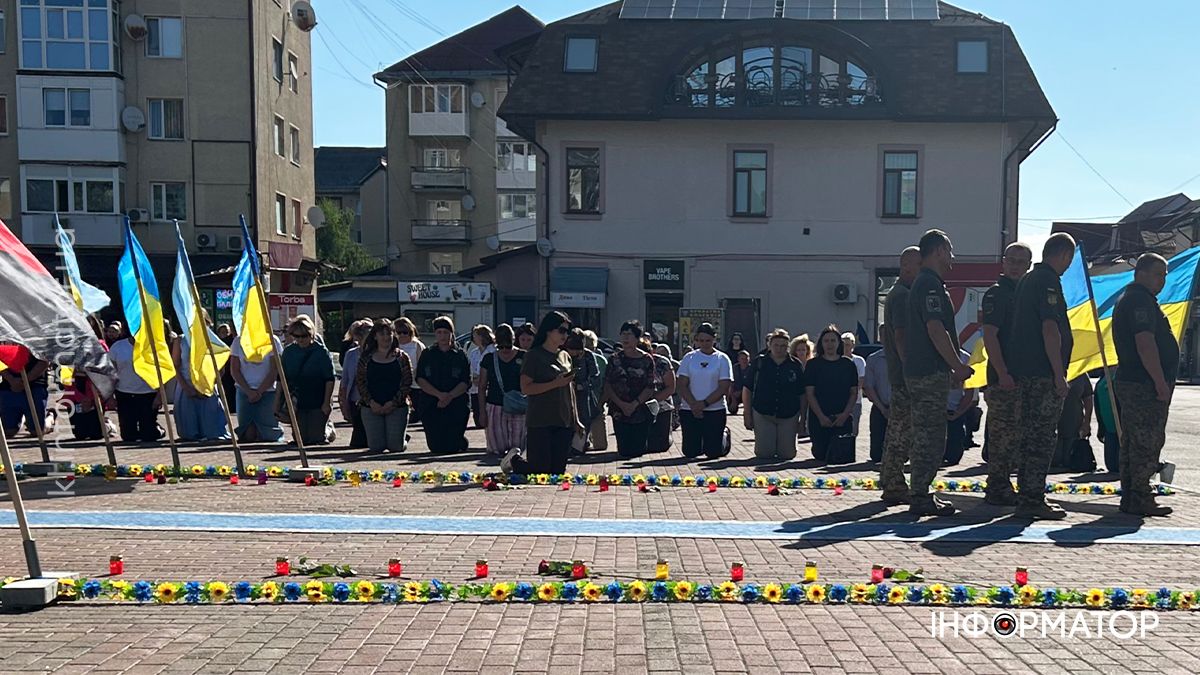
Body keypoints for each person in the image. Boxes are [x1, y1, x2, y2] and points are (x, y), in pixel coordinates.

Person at [1007, 232, 1077, 520]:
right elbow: (1050, 329)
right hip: (1042, 375)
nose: (1068, 265)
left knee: (1029, 436)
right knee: (1041, 437)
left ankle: (1027, 494)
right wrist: (1058, 374)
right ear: (1063, 255)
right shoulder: (1047, 281)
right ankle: (1032, 498)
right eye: (1068, 260)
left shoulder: (1027, 280)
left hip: (1027, 372)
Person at [905, 231, 972, 516]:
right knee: (929, 436)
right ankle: (920, 494)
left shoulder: (928, 283)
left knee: (930, 433)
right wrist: (956, 364)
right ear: (940, 250)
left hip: (929, 371)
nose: (952, 256)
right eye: (950, 249)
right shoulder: (929, 285)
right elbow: (935, 328)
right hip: (927, 372)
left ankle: (922, 491)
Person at [1112, 252, 1176, 516]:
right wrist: (1159, 380)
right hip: (1143, 383)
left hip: (1135, 381)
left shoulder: (1137, 298)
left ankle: (1131, 495)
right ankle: (1139, 496)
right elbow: (1145, 342)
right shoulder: (1139, 300)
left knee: (1133, 441)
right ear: (1142, 273)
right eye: (1158, 274)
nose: (1162, 280)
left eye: (1164, 275)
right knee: (1145, 441)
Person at [980, 242, 1033, 505]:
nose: (1014, 266)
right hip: (1005, 378)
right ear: (1003, 262)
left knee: (1017, 436)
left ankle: (1006, 486)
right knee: (1002, 436)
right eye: (1011, 260)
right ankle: (997, 488)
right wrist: (1001, 373)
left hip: (1024, 376)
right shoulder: (997, 294)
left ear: (1029, 266)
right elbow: (990, 335)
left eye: (1020, 261)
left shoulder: (1026, 293)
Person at [502, 311, 579, 475]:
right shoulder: (533, 355)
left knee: (557, 472)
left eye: (567, 331)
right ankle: (513, 460)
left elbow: (569, 387)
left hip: (563, 419)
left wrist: (576, 419)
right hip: (540, 419)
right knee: (540, 471)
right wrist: (554, 383)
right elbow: (526, 388)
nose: (565, 335)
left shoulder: (565, 355)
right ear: (548, 330)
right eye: (561, 330)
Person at [879, 247, 921, 503]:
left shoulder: (898, 294)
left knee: (898, 429)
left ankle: (890, 479)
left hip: (900, 375)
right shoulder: (903, 296)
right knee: (902, 431)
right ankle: (894, 484)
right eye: (919, 265)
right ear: (906, 266)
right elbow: (901, 336)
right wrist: (910, 370)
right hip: (906, 376)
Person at [742, 328, 805, 461]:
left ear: (788, 347)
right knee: (764, 454)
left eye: (783, 346)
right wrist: (747, 414)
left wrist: (803, 419)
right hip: (763, 412)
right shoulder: (759, 362)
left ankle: (786, 443)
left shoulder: (795, 365)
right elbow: (747, 389)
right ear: (769, 345)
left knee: (787, 455)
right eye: (776, 345)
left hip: (789, 413)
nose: (779, 348)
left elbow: (802, 394)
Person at [415, 316, 471, 454]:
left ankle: (458, 439)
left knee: (451, 448)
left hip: (456, 402)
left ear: (451, 333)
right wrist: (439, 395)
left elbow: (465, 381)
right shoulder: (427, 354)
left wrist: (449, 397)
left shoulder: (460, 355)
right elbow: (420, 378)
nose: (442, 336)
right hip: (432, 403)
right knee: (436, 448)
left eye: (446, 332)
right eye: (439, 332)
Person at [677, 323, 733, 459]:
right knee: (691, 452)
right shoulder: (689, 357)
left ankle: (723, 436)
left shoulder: (722, 359)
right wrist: (694, 405)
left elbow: (724, 386)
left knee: (713, 453)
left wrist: (704, 404)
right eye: (701, 340)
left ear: (714, 339)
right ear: (696, 340)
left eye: (708, 340)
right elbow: (681, 384)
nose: (704, 343)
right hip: (690, 409)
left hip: (714, 409)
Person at [804, 326, 859, 464]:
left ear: (839, 343)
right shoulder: (813, 365)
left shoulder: (848, 365)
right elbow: (810, 394)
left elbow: (853, 393)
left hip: (842, 416)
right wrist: (821, 417)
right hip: (820, 417)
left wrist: (845, 415)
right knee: (821, 455)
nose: (829, 344)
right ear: (821, 343)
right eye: (826, 341)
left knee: (841, 456)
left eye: (833, 341)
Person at [356, 320, 412, 453]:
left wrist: (392, 403)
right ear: (375, 336)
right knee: (376, 447)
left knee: (395, 447)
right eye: (382, 334)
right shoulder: (365, 358)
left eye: (389, 333)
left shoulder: (402, 357)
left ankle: (402, 439)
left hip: (396, 406)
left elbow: (406, 383)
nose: (386, 337)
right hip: (371, 407)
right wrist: (371, 402)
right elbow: (360, 382)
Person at [604, 320, 658, 458]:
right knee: (623, 450)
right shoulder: (614, 359)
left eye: (629, 334)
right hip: (619, 410)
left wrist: (634, 404)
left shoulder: (646, 359)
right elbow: (608, 384)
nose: (625, 338)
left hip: (640, 410)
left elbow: (650, 386)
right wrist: (622, 405)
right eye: (623, 334)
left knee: (637, 451)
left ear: (638, 337)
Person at [170, 317, 230, 442]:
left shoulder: (212, 341)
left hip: (207, 388)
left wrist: (206, 386)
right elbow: (175, 365)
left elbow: (220, 368)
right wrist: (187, 388)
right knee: (189, 433)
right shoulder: (180, 340)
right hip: (186, 387)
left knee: (212, 431)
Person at [278, 315, 335, 446]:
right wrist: (277, 403)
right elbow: (282, 378)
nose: (301, 339)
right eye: (297, 336)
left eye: (304, 336)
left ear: (311, 334)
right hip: (297, 399)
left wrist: (326, 403)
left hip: (317, 397)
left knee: (316, 438)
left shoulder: (321, 352)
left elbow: (329, 379)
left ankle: (328, 429)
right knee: (301, 439)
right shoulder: (289, 352)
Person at [478, 324, 526, 456]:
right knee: (496, 448)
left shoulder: (523, 357)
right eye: (501, 346)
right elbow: (482, 387)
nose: (505, 350)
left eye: (508, 346)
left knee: (518, 447)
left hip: (519, 406)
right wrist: (482, 412)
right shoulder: (488, 359)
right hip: (495, 405)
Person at [109, 329, 164, 443]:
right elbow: (111, 373)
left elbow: (163, 372)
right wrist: (110, 396)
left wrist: (160, 396)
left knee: (148, 436)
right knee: (129, 436)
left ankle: (157, 429)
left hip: (148, 393)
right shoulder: (118, 347)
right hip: (124, 393)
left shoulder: (155, 346)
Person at [230, 331, 284, 443]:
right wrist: (248, 391)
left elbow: (274, 370)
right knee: (248, 435)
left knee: (267, 435)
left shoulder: (272, 340)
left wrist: (259, 391)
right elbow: (235, 370)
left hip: (268, 391)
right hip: (244, 391)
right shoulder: (238, 341)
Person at [338, 321, 372, 449]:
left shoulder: (379, 353)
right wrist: (343, 404)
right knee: (358, 442)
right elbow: (345, 380)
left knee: (373, 442)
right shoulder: (351, 354)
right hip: (355, 399)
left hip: (372, 401)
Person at [943, 349, 979, 466]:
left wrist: (957, 413)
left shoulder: (966, 358)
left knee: (954, 456)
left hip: (954, 410)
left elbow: (969, 393)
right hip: (935, 409)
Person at [1051, 375, 1094, 470]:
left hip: (1074, 426)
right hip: (1052, 427)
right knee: (1054, 460)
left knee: (1069, 461)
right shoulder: (1050, 370)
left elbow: (1088, 400)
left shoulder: (1081, 375)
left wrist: (1086, 423)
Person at [0, 356, 49, 439]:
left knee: (37, 431)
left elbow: (44, 362)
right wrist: (11, 379)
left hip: (35, 385)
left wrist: (25, 380)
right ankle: (22, 417)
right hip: (9, 385)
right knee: (8, 432)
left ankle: (50, 417)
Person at [643, 336, 677, 454]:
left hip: (661, 404)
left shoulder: (662, 362)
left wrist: (652, 400)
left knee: (661, 446)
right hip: (635, 406)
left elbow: (671, 388)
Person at [863, 346, 891, 463]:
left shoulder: (906, 356)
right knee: (876, 455)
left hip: (900, 407)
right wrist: (882, 409)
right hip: (879, 406)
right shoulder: (873, 359)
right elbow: (869, 386)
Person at [395, 317, 425, 424]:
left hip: (415, 384)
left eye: (405, 332)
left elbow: (422, 364)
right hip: (398, 383)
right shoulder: (393, 346)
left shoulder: (417, 345)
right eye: (399, 332)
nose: (402, 335)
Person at [584, 330, 609, 451]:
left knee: (600, 445)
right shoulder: (602, 360)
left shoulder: (601, 361)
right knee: (600, 445)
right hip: (588, 400)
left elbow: (605, 383)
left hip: (596, 400)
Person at [468, 325, 496, 429]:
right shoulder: (473, 352)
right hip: (475, 388)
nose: (473, 338)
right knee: (478, 419)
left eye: (475, 335)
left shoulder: (493, 351)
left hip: (488, 390)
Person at [841, 332, 866, 435]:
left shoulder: (859, 361)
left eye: (847, 345)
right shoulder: (836, 360)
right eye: (843, 345)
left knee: (853, 431)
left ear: (852, 345)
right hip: (839, 402)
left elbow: (861, 381)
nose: (845, 347)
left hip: (855, 402)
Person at [1095, 372, 1120, 473]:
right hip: (1108, 427)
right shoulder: (1101, 381)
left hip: (1122, 427)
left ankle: (1157, 467)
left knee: (1121, 464)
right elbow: (1097, 406)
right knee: (1111, 465)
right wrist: (1101, 428)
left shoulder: (1119, 377)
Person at [728, 350, 751, 414]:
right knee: (732, 409)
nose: (744, 360)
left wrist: (742, 391)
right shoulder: (734, 369)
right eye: (742, 358)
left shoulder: (752, 369)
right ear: (738, 359)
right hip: (736, 392)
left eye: (746, 358)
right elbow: (731, 383)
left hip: (748, 392)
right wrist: (733, 398)